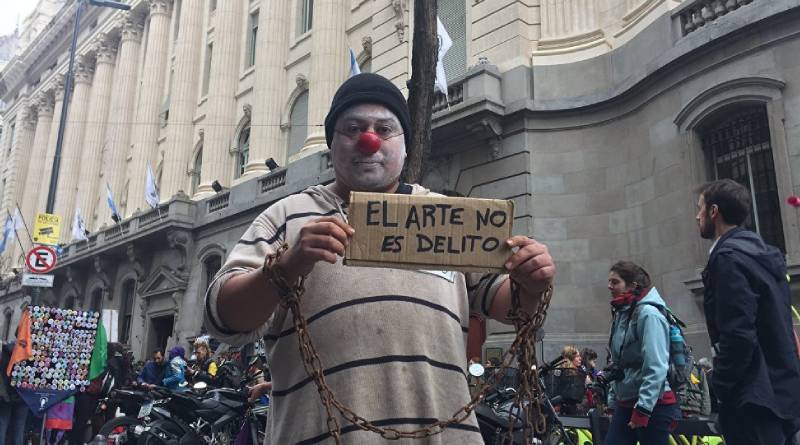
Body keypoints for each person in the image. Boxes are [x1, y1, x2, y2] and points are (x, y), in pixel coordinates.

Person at [203, 72, 556, 444]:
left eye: (384, 129)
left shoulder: (448, 217)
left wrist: (530, 283)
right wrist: (286, 267)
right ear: (332, 144)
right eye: (353, 129)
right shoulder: (285, 216)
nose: (368, 141)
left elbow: (508, 306)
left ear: (404, 145)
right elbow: (223, 319)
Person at [696, 179, 800, 444]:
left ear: (714, 211)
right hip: (782, 392)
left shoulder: (727, 258)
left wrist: (722, 384)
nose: (696, 216)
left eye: (700, 208)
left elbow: (738, 333)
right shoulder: (765, 254)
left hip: (751, 399)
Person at [605, 261, 680, 445]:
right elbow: (618, 363)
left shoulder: (649, 314)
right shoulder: (622, 314)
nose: (609, 286)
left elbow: (655, 365)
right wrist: (613, 401)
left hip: (654, 405)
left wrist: (644, 409)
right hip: (627, 402)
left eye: (615, 282)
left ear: (633, 286)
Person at [0, 341, 28, 445]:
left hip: (5, 395)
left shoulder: (5, 351)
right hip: (23, 396)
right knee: (19, 428)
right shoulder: (29, 352)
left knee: (2, 425)